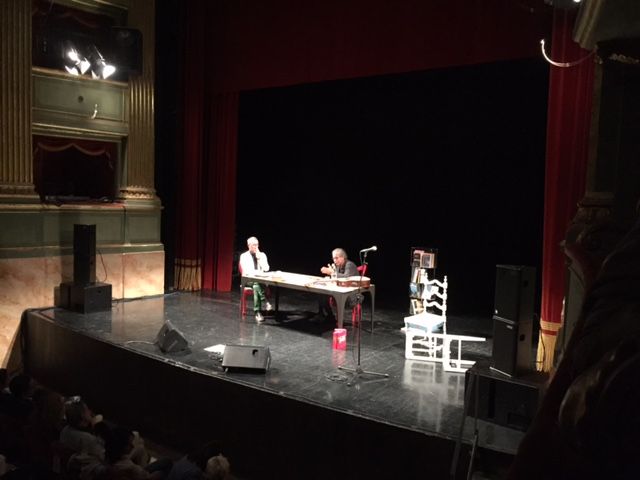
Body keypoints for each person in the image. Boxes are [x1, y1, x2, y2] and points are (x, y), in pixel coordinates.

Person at [317, 248, 359, 322]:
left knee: (326, 295)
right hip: (341, 292)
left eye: (336, 258)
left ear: (343, 257)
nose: (335, 260)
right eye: (333, 258)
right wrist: (329, 277)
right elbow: (336, 278)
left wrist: (332, 273)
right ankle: (328, 315)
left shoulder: (350, 265)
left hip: (352, 296)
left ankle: (331, 317)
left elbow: (346, 277)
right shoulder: (339, 266)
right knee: (321, 293)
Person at [239, 236, 272, 322]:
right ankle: (265, 301)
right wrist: (256, 274)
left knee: (256, 286)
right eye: (253, 245)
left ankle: (258, 313)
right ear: (248, 245)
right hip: (248, 280)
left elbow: (266, 268)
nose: (256, 247)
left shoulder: (262, 255)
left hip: (259, 281)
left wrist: (259, 258)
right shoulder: (244, 256)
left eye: (257, 245)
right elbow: (246, 271)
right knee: (256, 283)